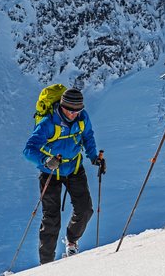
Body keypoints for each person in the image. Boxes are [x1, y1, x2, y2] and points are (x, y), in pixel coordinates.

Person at [23, 87, 105, 264]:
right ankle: (46, 265)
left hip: (74, 168)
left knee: (85, 209)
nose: (74, 114)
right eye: (71, 110)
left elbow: (88, 136)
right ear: (62, 106)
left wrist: (93, 157)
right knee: (51, 219)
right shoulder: (48, 123)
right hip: (50, 172)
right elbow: (28, 150)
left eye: (78, 110)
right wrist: (45, 160)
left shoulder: (83, 118)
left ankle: (72, 241)